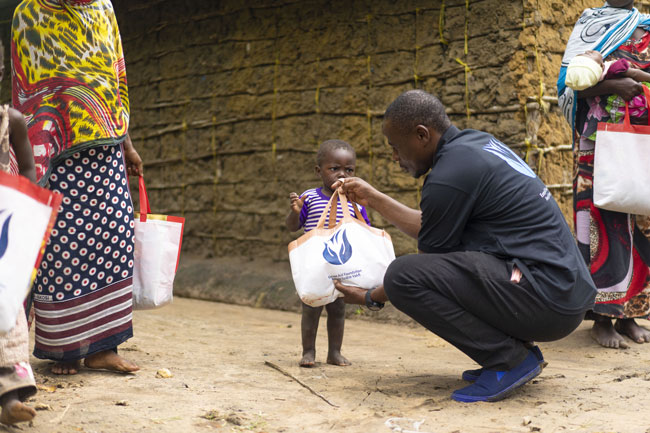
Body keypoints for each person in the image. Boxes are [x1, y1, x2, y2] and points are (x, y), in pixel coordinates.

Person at [332, 90, 597, 403]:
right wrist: (374, 199)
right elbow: (433, 227)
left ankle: (509, 360)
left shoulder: (448, 175)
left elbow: (426, 270)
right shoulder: (475, 145)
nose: (394, 157)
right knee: (418, 273)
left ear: (421, 135)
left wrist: (371, 297)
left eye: (395, 147)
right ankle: (515, 352)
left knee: (401, 276)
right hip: (560, 290)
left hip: (547, 296)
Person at [11, 0, 142, 374]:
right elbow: (26, 88)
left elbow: (113, 82)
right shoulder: (28, 13)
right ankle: (66, 349)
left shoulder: (104, 9)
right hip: (54, 149)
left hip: (105, 143)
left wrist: (127, 145)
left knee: (116, 234)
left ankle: (104, 347)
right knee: (63, 246)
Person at [558, 0, 650, 349]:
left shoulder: (647, 28)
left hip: (643, 139)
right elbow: (573, 85)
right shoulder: (590, 28)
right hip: (598, 142)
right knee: (600, 220)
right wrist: (615, 87)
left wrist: (638, 79)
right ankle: (601, 318)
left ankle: (631, 314)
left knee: (643, 221)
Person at [286, 139, 371, 367]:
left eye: (349, 170)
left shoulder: (354, 200)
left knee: (338, 310)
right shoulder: (310, 198)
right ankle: (309, 352)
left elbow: (364, 230)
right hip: (315, 266)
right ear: (319, 171)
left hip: (341, 266)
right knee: (311, 310)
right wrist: (295, 212)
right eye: (334, 169)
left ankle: (334, 352)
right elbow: (293, 227)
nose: (341, 174)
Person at [0, 38, 38, 425]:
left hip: (1, 229)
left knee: (7, 318)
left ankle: (10, 399)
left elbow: (27, 171)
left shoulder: (12, 120)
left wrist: (24, 210)